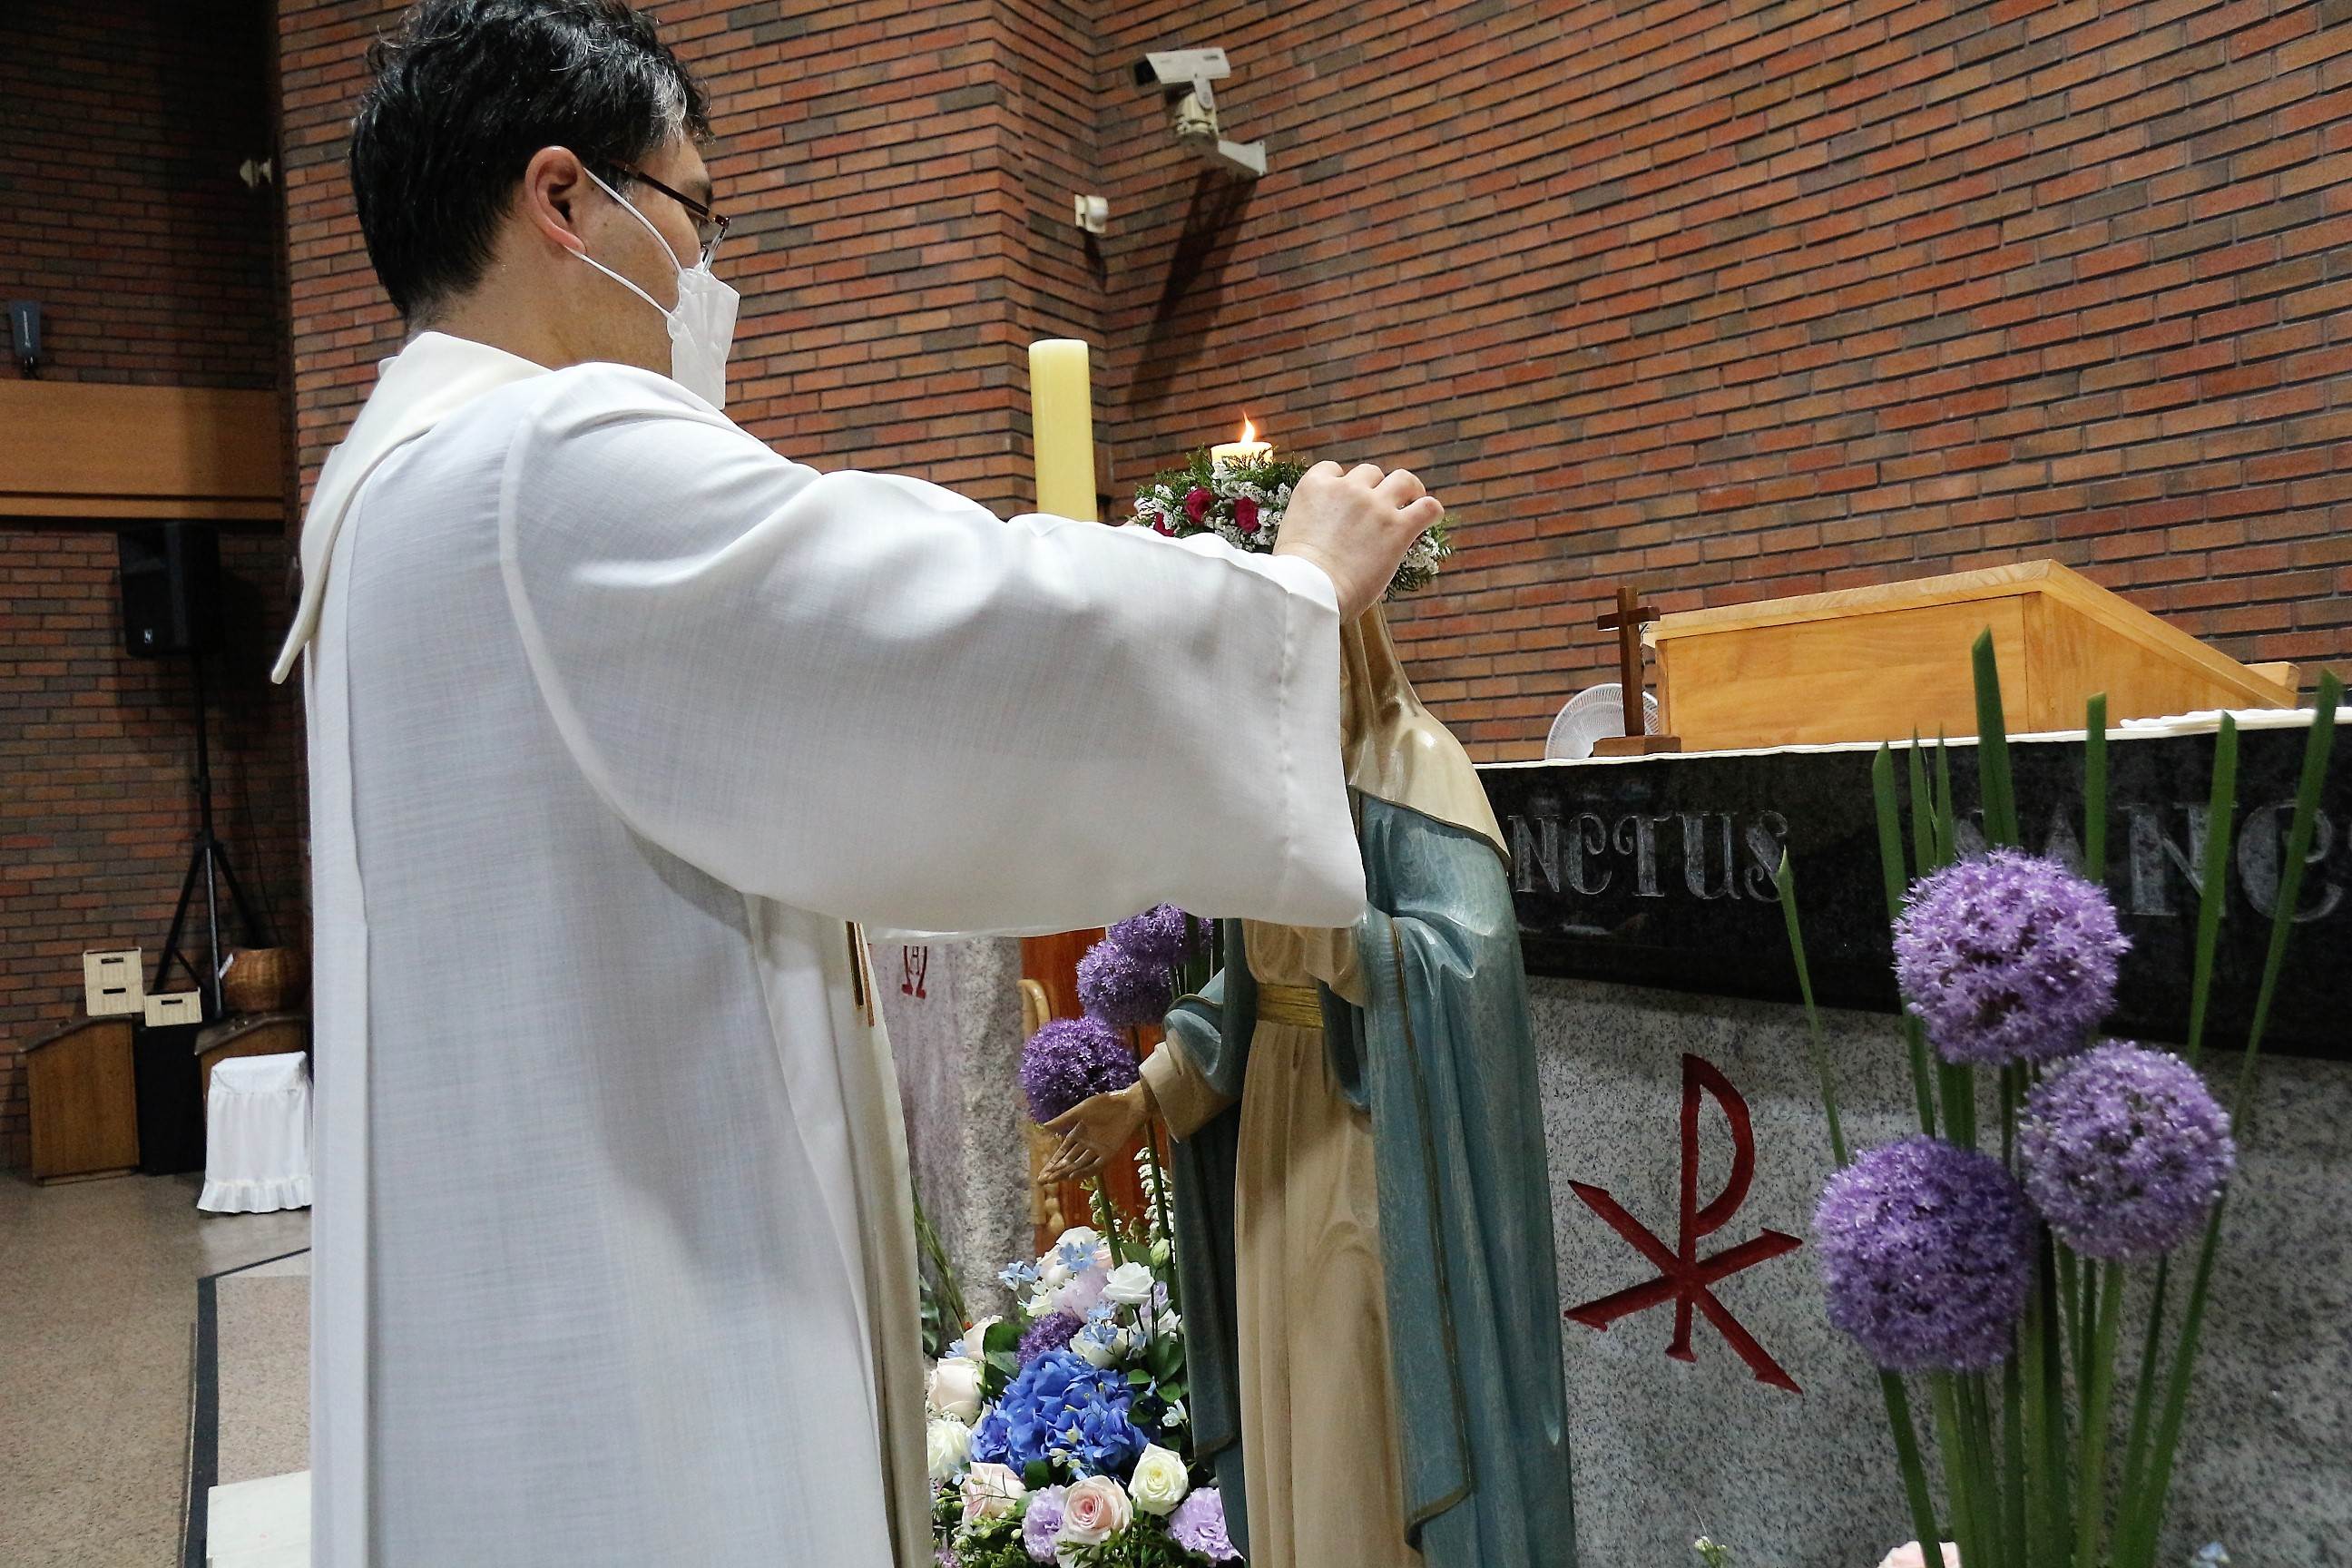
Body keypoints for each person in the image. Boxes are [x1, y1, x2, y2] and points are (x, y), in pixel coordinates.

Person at [275, 3, 1444, 1564]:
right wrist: (1285, 601)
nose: (706, 275)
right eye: (694, 213)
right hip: (647, 1326)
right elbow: (938, 623)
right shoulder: (538, 454)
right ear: (563, 198)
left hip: (515, 1287)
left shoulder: (383, 483)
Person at [1044, 606, 1580, 1568]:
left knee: (1349, 1407)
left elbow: (1471, 963)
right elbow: (1250, 983)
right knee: (1284, 1393)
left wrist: (1342, 932)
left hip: (1368, 1132)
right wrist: (1149, 1094)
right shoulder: (1278, 778)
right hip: (1272, 1129)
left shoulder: (1415, 768)